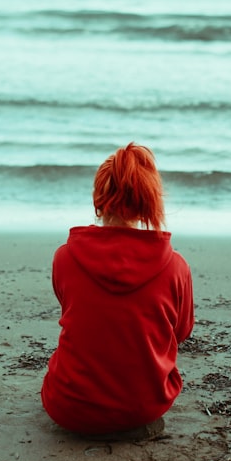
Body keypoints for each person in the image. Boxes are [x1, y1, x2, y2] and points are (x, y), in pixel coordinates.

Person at [41, 142, 195, 440]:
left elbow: (74, 311)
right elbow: (181, 331)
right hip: (144, 406)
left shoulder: (65, 257)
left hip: (68, 407)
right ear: (150, 202)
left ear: (98, 199)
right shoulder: (176, 267)